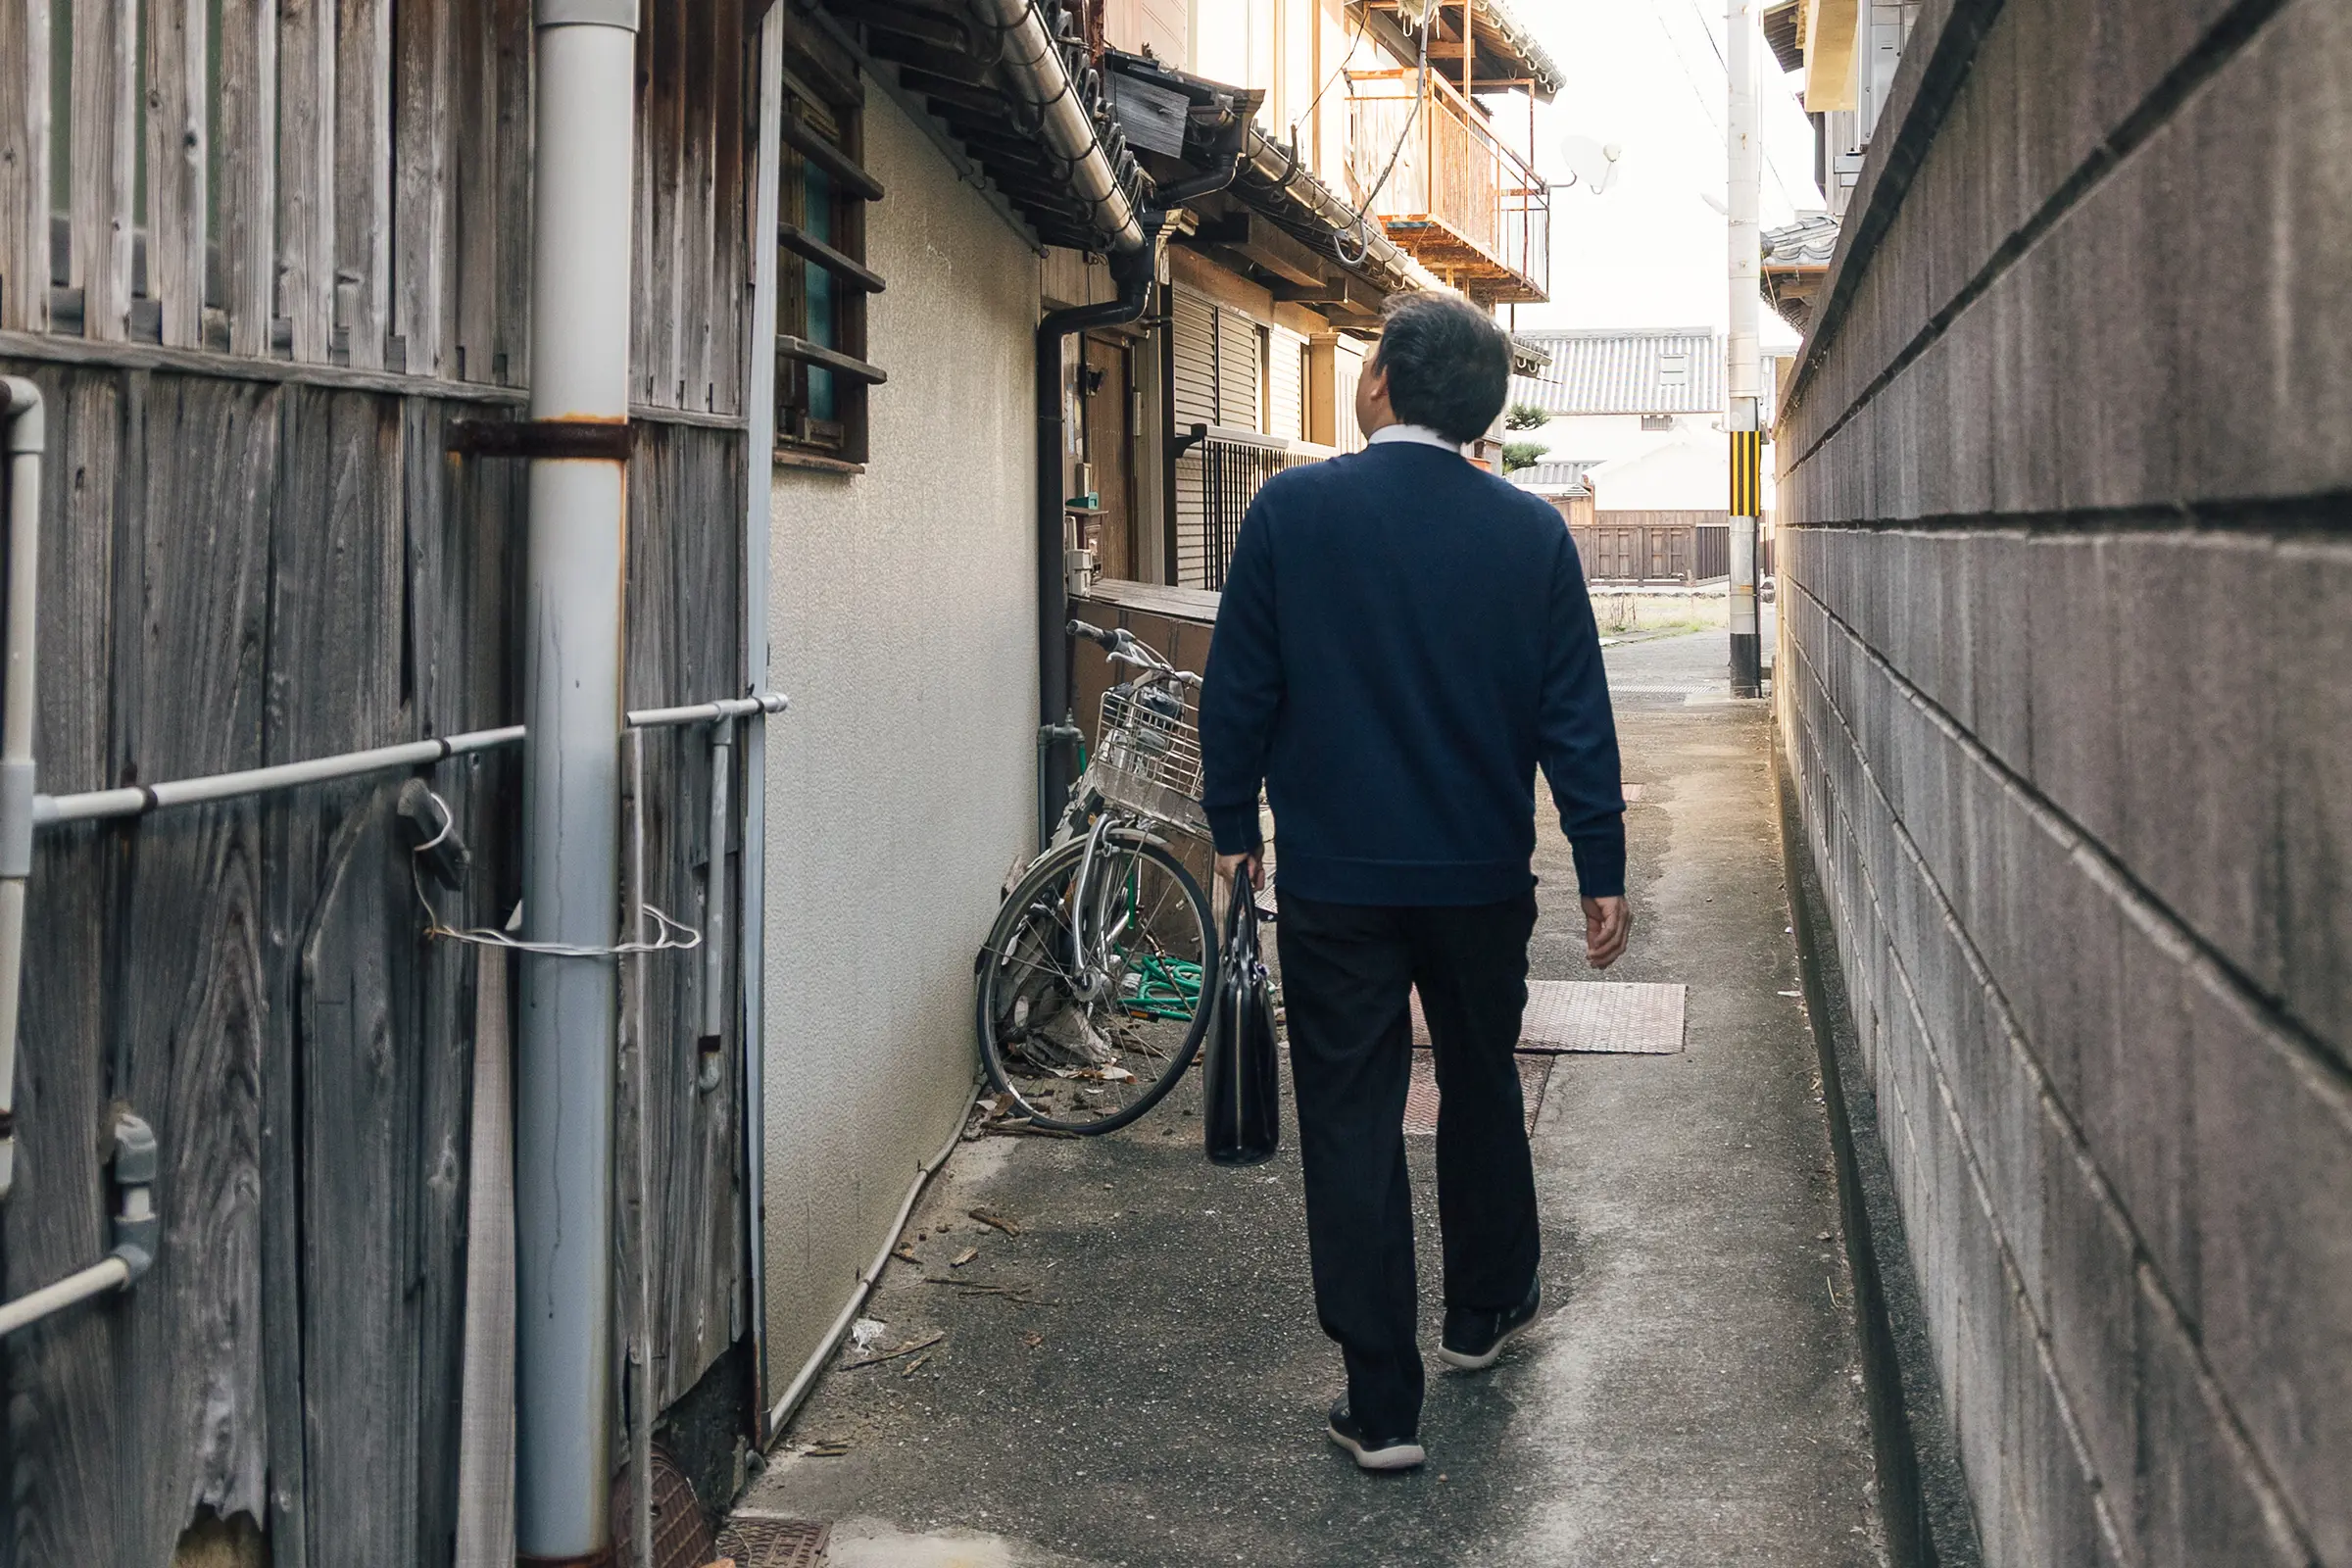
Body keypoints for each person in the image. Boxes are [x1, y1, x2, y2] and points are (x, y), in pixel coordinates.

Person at [1198, 292, 1631, 1473]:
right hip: (1482, 880)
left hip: (1337, 883)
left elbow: (1237, 689)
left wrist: (1233, 823)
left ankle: (1381, 1405)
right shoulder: (1530, 534)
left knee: (1350, 1116)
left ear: (1383, 377)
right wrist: (1601, 863)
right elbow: (1574, 721)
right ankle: (1482, 1313)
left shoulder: (1292, 512)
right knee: (1483, 1078)